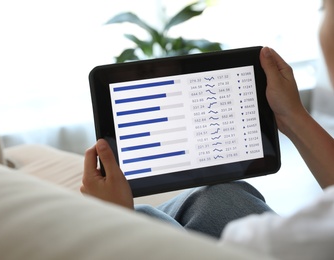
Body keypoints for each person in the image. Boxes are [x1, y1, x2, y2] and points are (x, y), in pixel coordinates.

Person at [81, 0, 334, 259]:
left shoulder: (282, 241)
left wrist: (119, 221)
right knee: (221, 194)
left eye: (324, 9)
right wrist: (292, 116)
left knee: (141, 216)